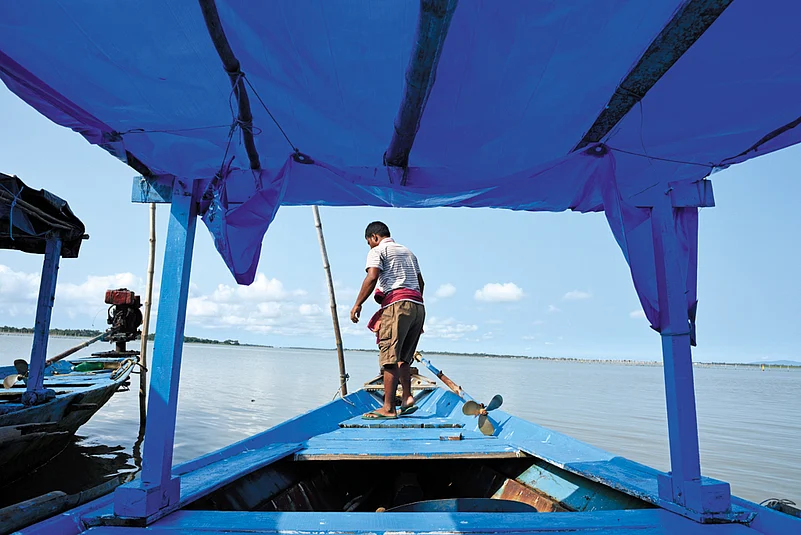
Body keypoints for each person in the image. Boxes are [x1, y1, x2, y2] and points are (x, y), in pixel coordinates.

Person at [351, 221, 425, 419]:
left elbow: (372, 276)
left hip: (397, 304)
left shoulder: (378, 250)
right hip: (418, 306)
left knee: (389, 358)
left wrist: (358, 303)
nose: (370, 246)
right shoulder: (408, 252)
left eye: (369, 242)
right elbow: (421, 283)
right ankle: (408, 397)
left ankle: (389, 408)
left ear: (374, 237)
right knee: (404, 358)